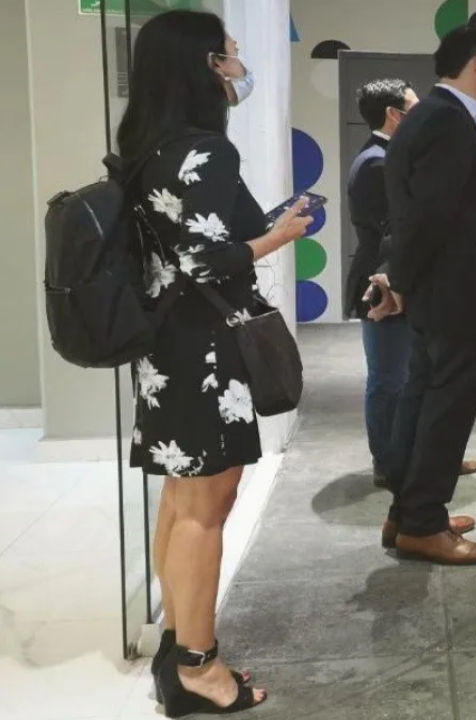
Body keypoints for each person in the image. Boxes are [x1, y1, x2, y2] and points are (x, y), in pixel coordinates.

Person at [119, 9, 311, 715]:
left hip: (171, 343)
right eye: (230, 53)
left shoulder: (150, 145)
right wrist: (278, 239)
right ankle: (198, 667)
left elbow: (196, 239)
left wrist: (266, 225)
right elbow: (208, 258)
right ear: (205, 65)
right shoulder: (203, 149)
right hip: (203, 347)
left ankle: (178, 644)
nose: (238, 66)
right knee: (206, 506)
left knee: (184, 498)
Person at [366, 23, 476, 565]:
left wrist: (401, 280)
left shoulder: (428, 117)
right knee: (444, 411)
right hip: (461, 298)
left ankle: (407, 513)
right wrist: (400, 280)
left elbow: (417, 214)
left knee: (423, 401)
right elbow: (429, 215)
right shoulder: (447, 121)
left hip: (443, 295)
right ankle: (424, 524)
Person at [345, 79, 476, 487]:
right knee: (389, 380)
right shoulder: (377, 163)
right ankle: (390, 463)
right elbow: (395, 232)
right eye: (414, 108)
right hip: (385, 285)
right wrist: (396, 281)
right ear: (394, 114)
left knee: (416, 376)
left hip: (406, 282)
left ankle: (427, 457)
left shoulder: (388, 157)